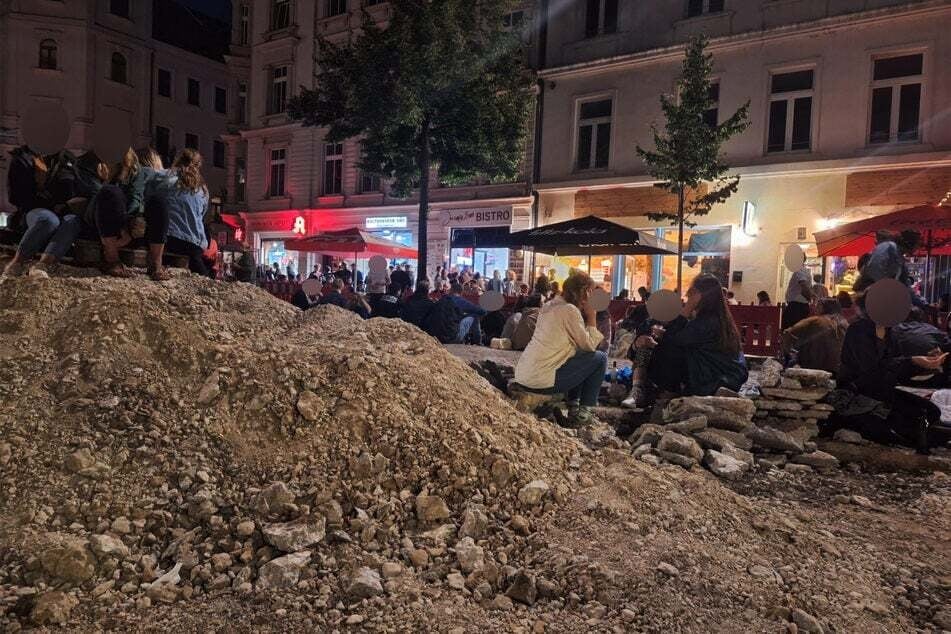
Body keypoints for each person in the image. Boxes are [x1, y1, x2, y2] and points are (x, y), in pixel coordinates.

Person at [834, 296, 948, 450]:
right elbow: (871, 371)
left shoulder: (891, 333)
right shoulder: (858, 330)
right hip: (856, 394)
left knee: (931, 412)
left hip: (882, 392)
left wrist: (927, 363)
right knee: (896, 422)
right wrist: (912, 361)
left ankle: (913, 439)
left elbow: (898, 371)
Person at [623, 274, 748, 408]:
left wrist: (686, 310)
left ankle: (649, 390)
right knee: (650, 345)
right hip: (720, 376)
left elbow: (674, 342)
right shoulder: (717, 319)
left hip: (713, 379)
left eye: (691, 294)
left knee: (660, 349)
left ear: (700, 295)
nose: (687, 298)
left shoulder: (707, 322)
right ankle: (642, 389)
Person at [514, 272, 607, 427]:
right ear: (585, 292)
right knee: (600, 358)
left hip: (524, 376)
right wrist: (592, 315)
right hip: (540, 381)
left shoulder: (549, 305)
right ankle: (584, 414)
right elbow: (590, 346)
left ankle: (573, 405)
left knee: (578, 355)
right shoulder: (569, 310)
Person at [2, 150, 94, 279]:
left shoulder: (67, 159)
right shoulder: (23, 158)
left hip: (63, 210)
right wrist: (41, 188)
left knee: (73, 221)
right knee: (49, 220)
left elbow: (75, 189)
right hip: (34, 210)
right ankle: (17, 262)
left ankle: (44, 265)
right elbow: (17, 197)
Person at [142, 148, 211, 280]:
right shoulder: (203, 189)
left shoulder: (162, 176)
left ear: (177, 160)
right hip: (195, 244)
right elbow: (202, 215)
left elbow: (147, 197)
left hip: (168, 239)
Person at [780, 298, 849, 374]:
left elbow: (787, 333)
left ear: (822, 307)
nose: (815, 307)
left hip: (814, 369)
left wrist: (788, 354)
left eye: (818, 305)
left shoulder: (815, 320)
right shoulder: (845, 323)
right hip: (839, 370)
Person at [783, 264, 813, 330]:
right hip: (800, 305)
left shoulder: (799, 270)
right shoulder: (806, 271)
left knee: (790, 330)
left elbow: (804, 286)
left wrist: (809, 298)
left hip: (796, 307)